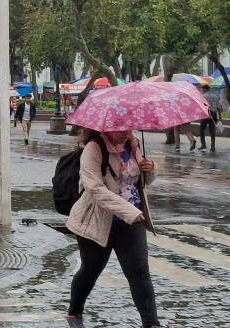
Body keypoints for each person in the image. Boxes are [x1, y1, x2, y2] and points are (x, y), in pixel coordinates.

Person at [65, 129, 161, 328]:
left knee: (139, 271)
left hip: (132, 220)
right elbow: (95, 188)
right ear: (107, 127)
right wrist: (128, 210)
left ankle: (152, 324)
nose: (127, 131)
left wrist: (150, 168)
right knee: (90, 270)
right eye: (122, 127)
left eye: (129, 126)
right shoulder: (94, 148)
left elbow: (142, 182)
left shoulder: (133, 144)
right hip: (97, 220)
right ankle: (74, 312)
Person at [199, 85, 222, 151]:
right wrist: (220, 117)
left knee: (202, 130)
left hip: (206, 115)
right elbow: (219, 107)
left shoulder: (203, 97)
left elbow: (202, 107)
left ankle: (203, 145)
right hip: (214, 115)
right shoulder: (215, 97)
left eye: (202, 89)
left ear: (205, 89)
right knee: (212, 131)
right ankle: (213, 146)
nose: (202, 90)